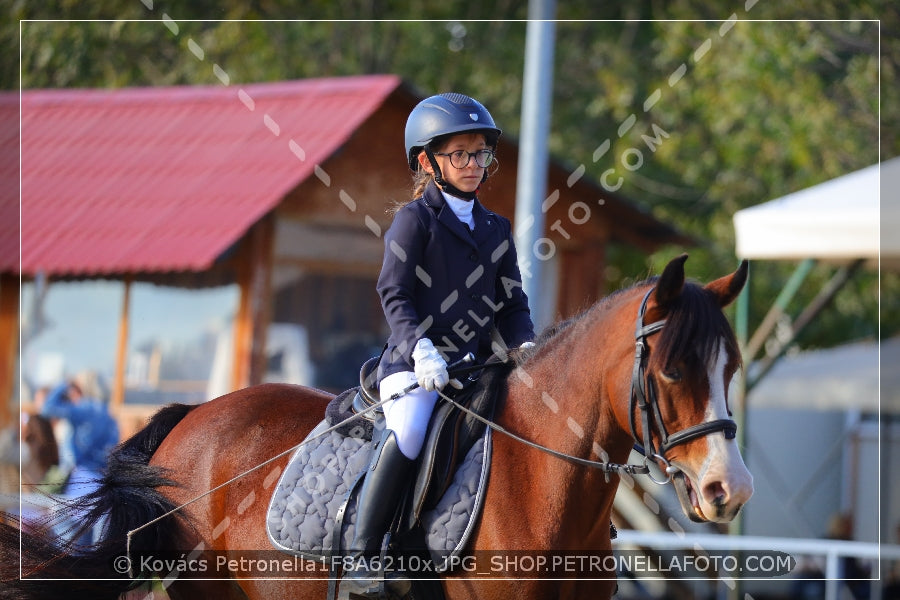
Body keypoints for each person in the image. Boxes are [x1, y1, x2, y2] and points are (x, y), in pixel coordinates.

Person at [340, 92, 535, 598]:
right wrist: (421, 348)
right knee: (409, 426)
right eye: (461, 154)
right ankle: (364, 556)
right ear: (429, 161)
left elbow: (512, 304)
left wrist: (526, 348)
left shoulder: (496, 228)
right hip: (413, 364)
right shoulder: (416, 219)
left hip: (474, 366)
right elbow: (394, 291)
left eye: (481, 153)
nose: (473, 165)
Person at [40, 371, 119, 545]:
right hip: (102, 486)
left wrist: (65, 383)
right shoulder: (110, 416)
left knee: (66, 555)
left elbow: (46, 408)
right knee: (94, 554)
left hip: (78, 484)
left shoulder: (84, 409)